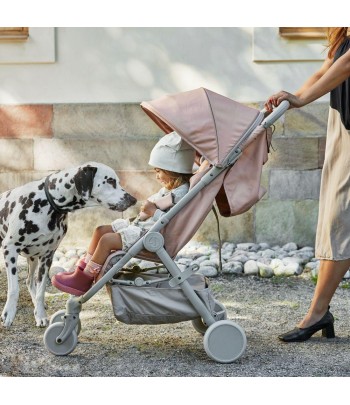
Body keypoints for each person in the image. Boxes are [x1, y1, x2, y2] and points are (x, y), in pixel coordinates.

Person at [265, 27, 350, 342]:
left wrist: (300, 99)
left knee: (339, 219)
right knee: (336, 217)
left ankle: (317, 312)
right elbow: (327, 68)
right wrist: (288, 99)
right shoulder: (343, 33)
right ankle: (319, 310)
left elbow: (347, 65)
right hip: (342, 128)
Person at [52, 131, 195, 296]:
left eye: (159, 171)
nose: (156, 176)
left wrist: (153, 211)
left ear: (172, 170)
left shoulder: (181, 193)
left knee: (107, 240)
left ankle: (86, 278)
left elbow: (173, 224)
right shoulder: (170, 190)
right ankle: (81, 270)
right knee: (100, 230)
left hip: (153, 234)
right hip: (145, 227)